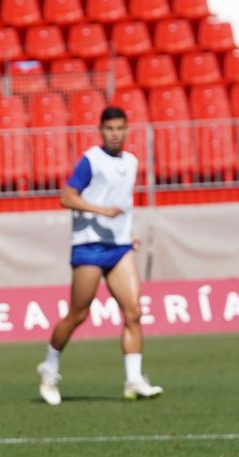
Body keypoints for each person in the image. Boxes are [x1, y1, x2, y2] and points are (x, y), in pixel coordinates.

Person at [37, 106, 162, 406]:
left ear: (127, 129)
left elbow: (122, 203)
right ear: (101, 130)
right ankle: (49, 367)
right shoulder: (91, 161)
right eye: (110, 129)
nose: (115, 134)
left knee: (133, 312)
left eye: (120, 128)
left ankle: (134, 380)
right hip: (89, 245)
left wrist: (124, 232)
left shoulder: (131, 162)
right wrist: (101, 211)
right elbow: (66, 196)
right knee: (79, 314)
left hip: (118, 247)